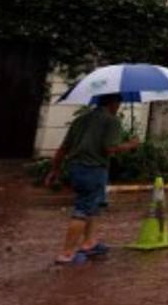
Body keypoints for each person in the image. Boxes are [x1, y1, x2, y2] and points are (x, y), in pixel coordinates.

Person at [45, 93, 140, 265]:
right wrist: (131, 145)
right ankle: (67, 253)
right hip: (93, 170)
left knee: (93, 207)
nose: (119, 107)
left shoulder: (80, 119)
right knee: (83, 209)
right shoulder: (111, 121)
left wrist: (55, 169)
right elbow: (110, 149)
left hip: (76, 168)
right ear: (113, 103)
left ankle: (89, 243)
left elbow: (63, 147)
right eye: (118, 103)